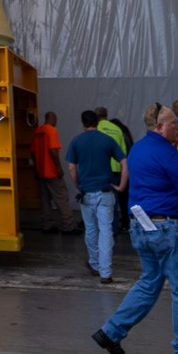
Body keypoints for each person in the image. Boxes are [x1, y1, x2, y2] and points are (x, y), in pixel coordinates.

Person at [91, 103, 178, 354]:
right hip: (167, 229)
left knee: (150, 282)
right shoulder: (167, 153)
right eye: (173, 123)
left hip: (142, 227)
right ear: (159, 127)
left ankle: (110, 332)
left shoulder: (138, 148)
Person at [65, 110, 125, 283]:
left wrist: (77, 186)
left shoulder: (77, 141)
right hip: (106, 192)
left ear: (83, 123)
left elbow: (71, 167)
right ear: (98, 123)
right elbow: (124, 161)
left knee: (91, 230)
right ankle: (106, 273)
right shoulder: (107, 140)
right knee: (106, 232)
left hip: (86, 193)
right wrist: (121, 185)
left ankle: (95, 264)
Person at [31, 110, 78, 234]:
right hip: (51, 172)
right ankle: (69, 227)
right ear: (53, 119)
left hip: (41, 172)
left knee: (45, 200)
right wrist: (58, 167)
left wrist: (36, 169)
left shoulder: (37, 131)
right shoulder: (51, 130)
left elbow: (33, 152)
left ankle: (47, 225)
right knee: (62, 197)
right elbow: (52, 150)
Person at [95, 106, 130, 233]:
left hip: (101, 168)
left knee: (99, 199)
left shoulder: (96, 129)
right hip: (116, 169)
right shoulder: (117, 129)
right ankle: (114, 228)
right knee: (113, 200)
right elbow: (123, 153)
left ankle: (103, 228)